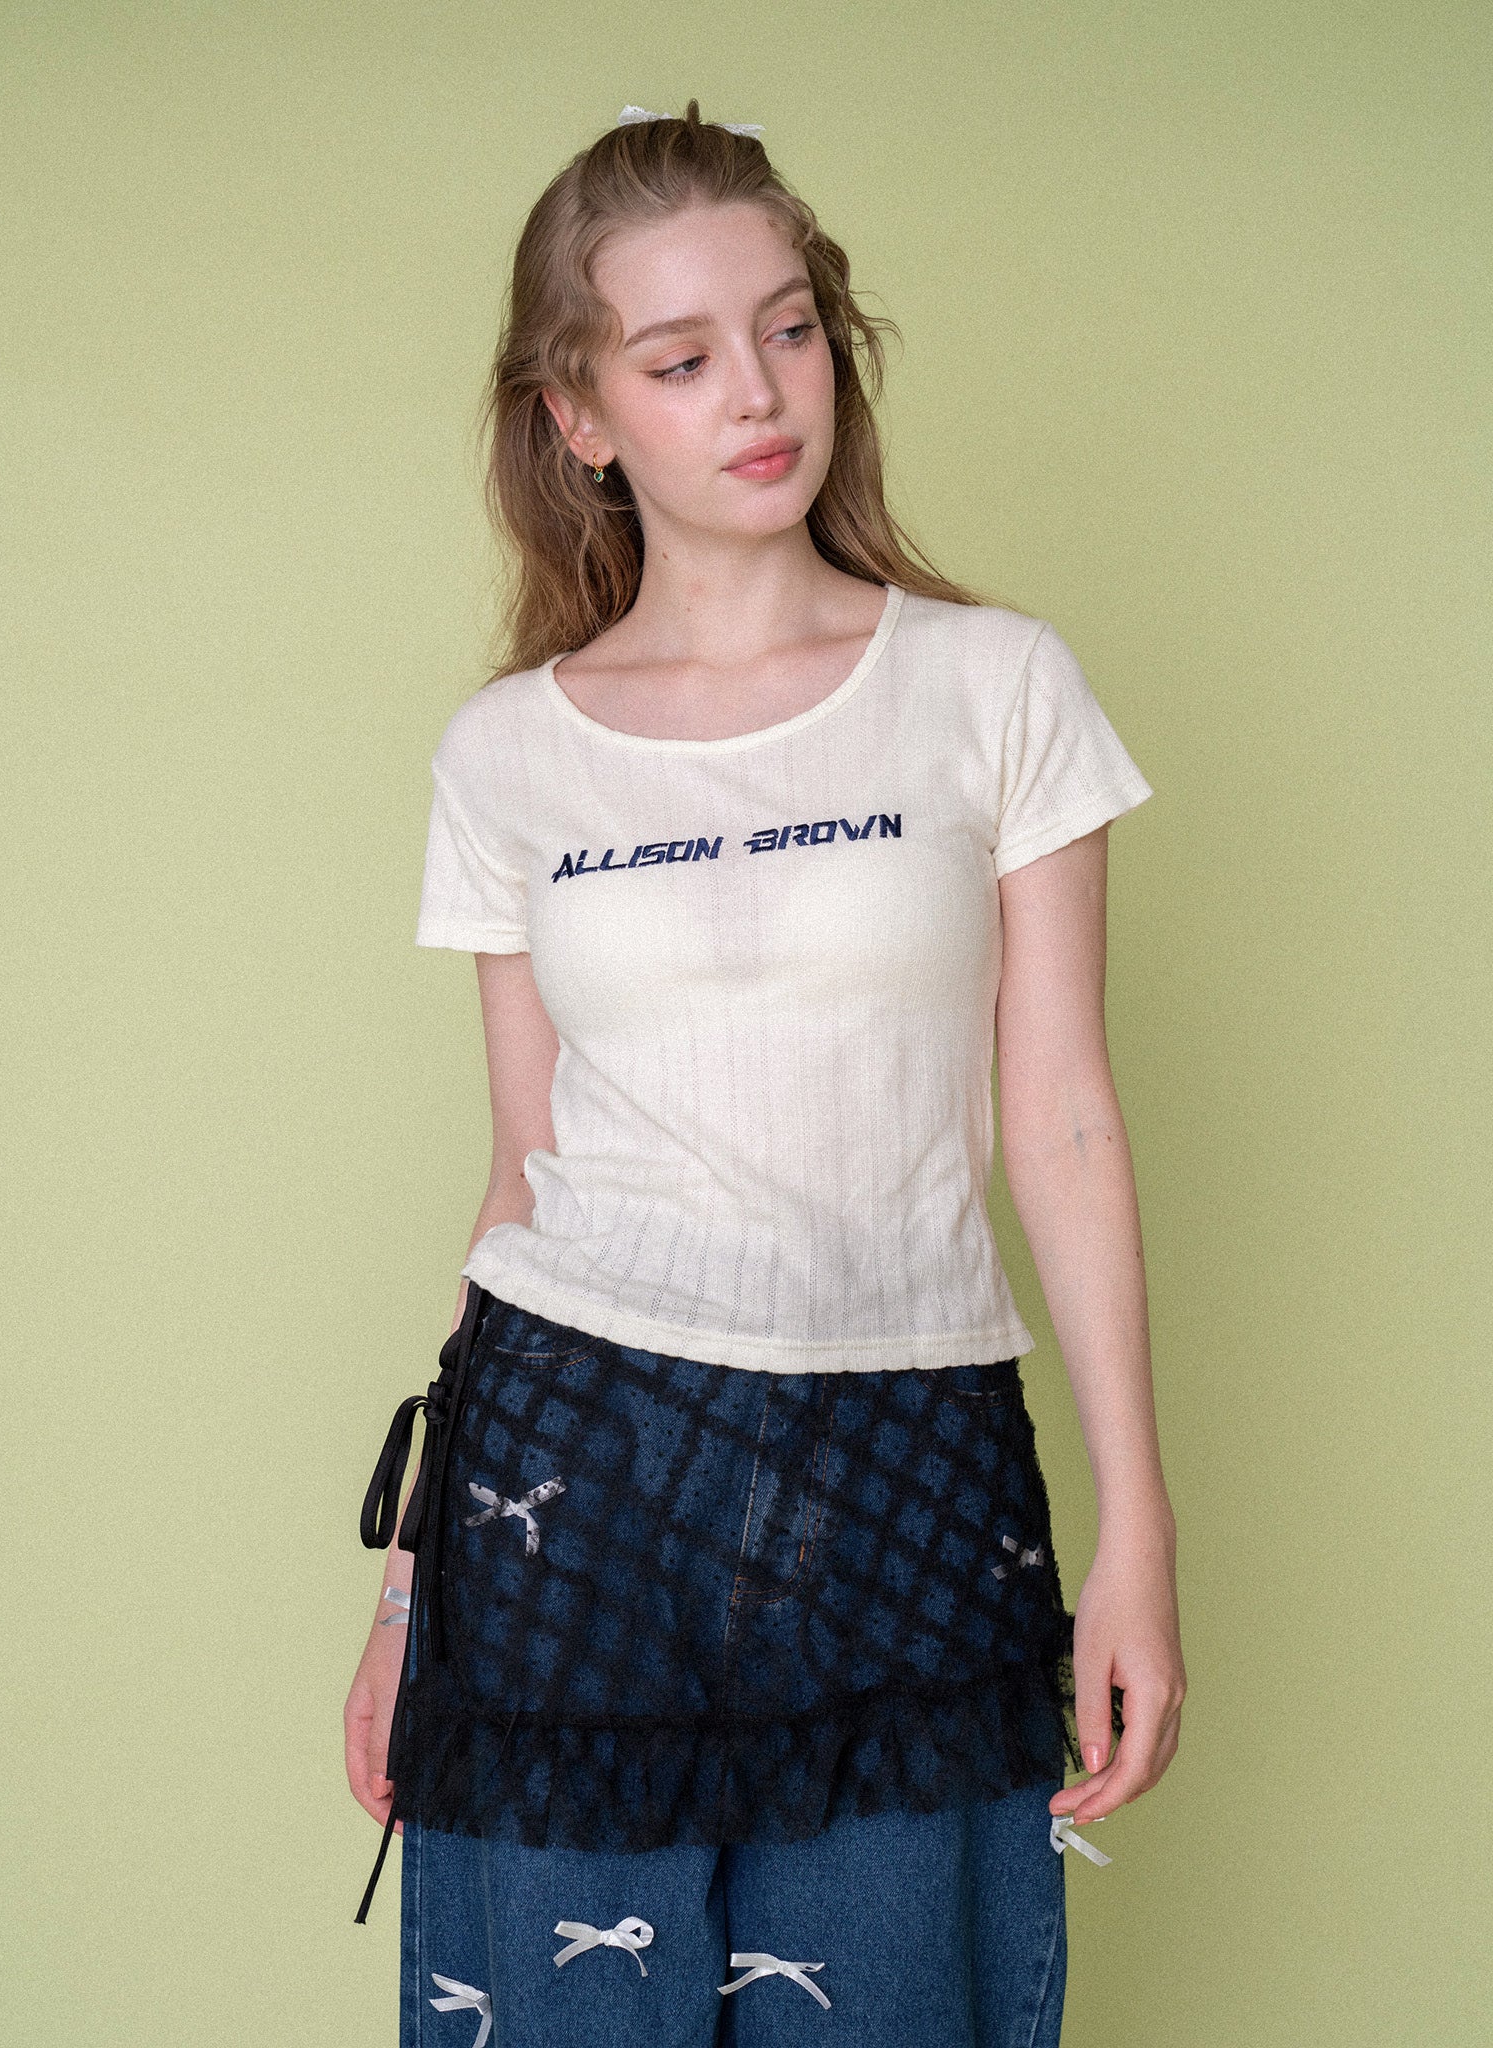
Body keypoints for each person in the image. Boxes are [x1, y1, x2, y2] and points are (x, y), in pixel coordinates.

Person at [344, 99, 1185, 2048]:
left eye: (789, 327)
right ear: (578, 415)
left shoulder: (994, 684)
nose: (757, 389)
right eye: (680, 357)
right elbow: (524, 1170)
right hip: (574, 1480)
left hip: (909, 1470)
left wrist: (1137, 1527)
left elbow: (1064, 1117)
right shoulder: (507, 755)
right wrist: (401, 1598)